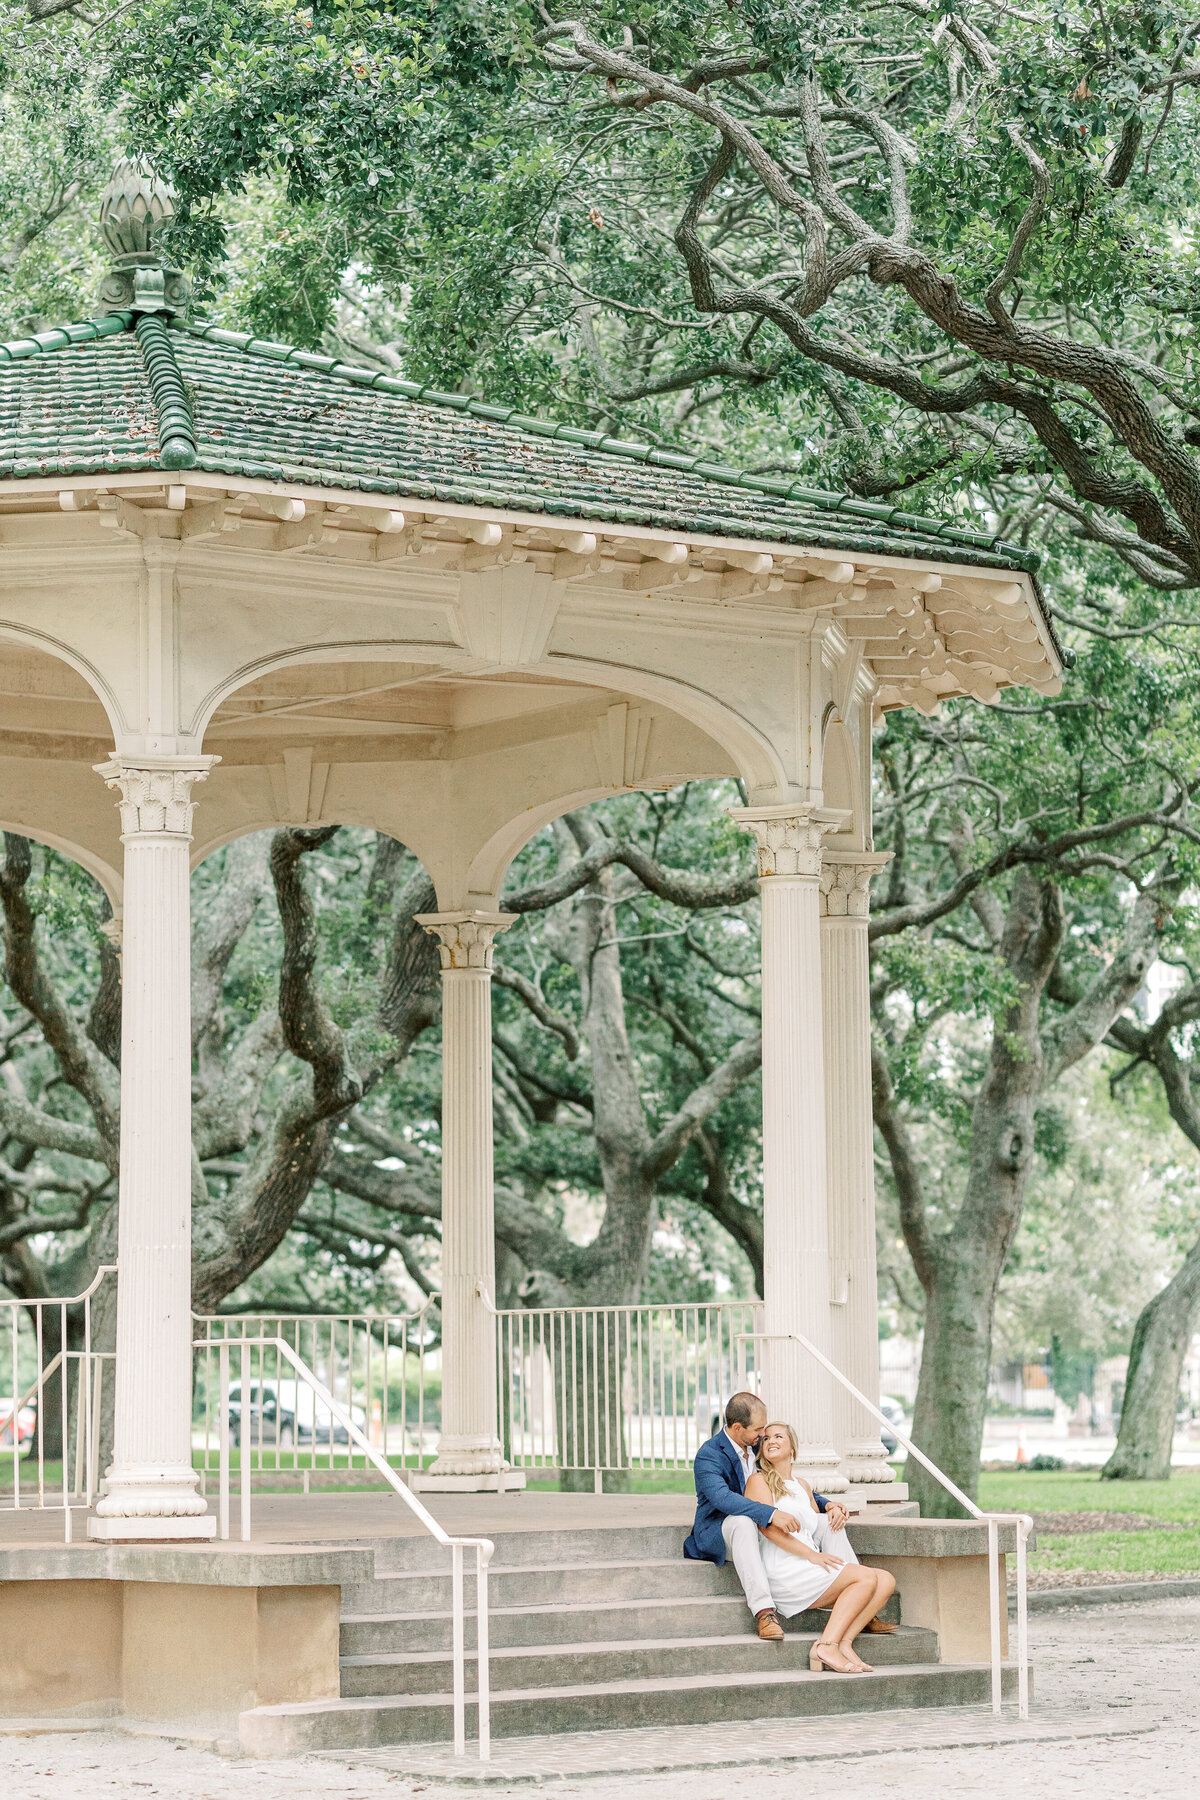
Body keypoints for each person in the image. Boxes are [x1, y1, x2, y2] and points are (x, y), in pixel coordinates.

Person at [684, 1391, 847, 1641]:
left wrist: (827, 1505)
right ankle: (764, 1611)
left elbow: (786, 1484)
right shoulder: (709, 1455)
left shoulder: (756, 1443)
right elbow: (723, 1499)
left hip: (762, 1524)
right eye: (759, 1429)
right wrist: (771, 1514)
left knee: (827, 1523)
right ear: (738, 1427)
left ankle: (855, 1592)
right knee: (743, 1522)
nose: (764, 1435)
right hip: (722, 1529)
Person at [746, 1421, 897, 1673]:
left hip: (808, 1561)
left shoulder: (803, 1485)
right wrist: (812, 1556)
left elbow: (813, 1525)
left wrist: (833, 1509)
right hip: (785, 1566)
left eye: (779, 1436)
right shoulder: (758, 1481)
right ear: (760, 1450)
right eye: (766, 1438)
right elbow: (768, 1528)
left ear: (792, 1447)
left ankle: (845, 1644)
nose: (771, 1440)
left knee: (886, 1580)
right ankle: (825, 1646)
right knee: (865, 1577)